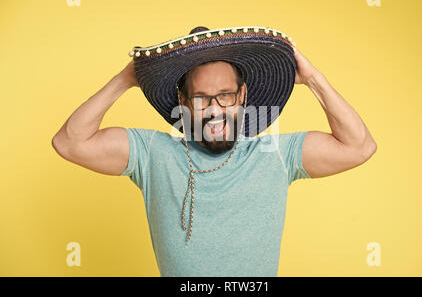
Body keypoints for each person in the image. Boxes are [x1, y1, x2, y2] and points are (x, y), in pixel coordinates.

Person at [52, 26, 377, 277]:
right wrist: (124, 79)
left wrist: (314, 80)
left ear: (242, 96)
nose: (215, 109)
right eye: (201, 98)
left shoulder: (275, 153)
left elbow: (359, 147)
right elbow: (70, 142)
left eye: (225, 95)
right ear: (183, 102)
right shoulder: (152, 153)